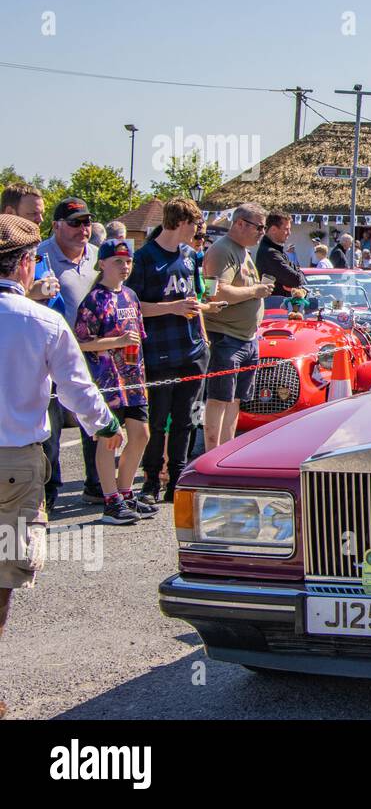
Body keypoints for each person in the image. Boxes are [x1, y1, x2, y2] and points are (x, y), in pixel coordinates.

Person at [0, 214, 122, 721]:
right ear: (27, 264)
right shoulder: (42, 321)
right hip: (15, 468)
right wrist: (107, 428)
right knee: (3, 575)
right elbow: (78, 390)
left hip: (18, 464)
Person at [127, 198, 221, 500]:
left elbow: (192, 298)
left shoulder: (191, 256)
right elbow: (133, 306)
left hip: (192, 351)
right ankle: (152, 480)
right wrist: (173, 307)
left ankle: (178, 479)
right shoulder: (144, 258)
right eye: (194, 224)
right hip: (159, 351)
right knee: (157, 420)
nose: (198, 230)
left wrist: (205, 308)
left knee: (186, 419)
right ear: (181, 222)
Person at [73, 240, 156, 523]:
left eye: (128, 261)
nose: (124, 266)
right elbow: (81, 343)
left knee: (141, 434)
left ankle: (126, 493)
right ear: (103, 263)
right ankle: (110, 500)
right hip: (107, 380)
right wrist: (116, 341)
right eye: (118, 261)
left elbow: (138, 337)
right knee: (109, 439)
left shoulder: (131, 296)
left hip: (134, 378)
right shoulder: (94, 299)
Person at [38, 197, 104, 506]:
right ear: (56, 226)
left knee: (93, 420)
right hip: (49, 357)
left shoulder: (96, 257)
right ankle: (49, 493)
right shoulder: (40, 257)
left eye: (87, 221)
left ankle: (96, 484)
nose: (84, 228)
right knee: (50, 430)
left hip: (93, 354)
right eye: (75, 222)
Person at [203, 204, 273, 450]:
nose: (262, 232)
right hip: (225, 337)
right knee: (219, 400)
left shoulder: (242, 251)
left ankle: (226, 452)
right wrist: (256, 290)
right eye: (259, 227)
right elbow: (216, 293)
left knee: (234, 400)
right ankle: (213, 455)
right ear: (240, 223)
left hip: (245, 338)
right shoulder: (222, 250)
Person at [0, 183, 57, 305]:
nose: (40, 219)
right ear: (9, 212)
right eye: (33, 214)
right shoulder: (3, 253)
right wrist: (29, 293)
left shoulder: (37, 254)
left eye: (41, 213)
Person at [255, 211, 307, 302]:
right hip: (274, 308)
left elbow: (299, 273)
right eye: (286, 229)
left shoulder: (277, 251)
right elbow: (296, 280)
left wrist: (298, 275)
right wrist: (298, 277)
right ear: (274, 229)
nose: (289, 233)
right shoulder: (270, 253)